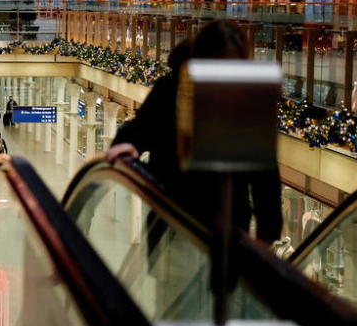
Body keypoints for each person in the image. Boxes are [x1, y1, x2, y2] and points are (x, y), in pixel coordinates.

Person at [105, 20, 281, 244]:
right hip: (172, 214)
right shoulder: (170, 88)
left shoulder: (245, 100)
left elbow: (264, 175)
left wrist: (267, 235)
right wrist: (129, 143)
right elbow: (141, 127)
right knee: (173, 275)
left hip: (225, 228)